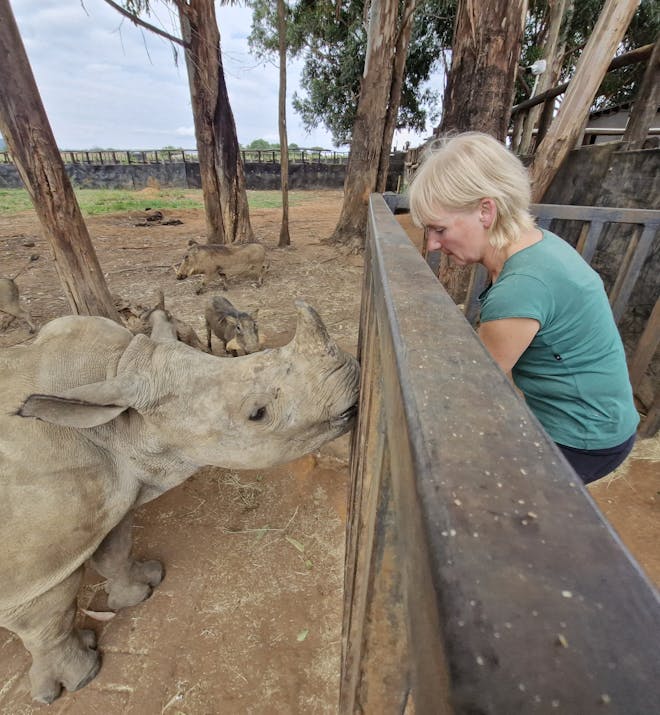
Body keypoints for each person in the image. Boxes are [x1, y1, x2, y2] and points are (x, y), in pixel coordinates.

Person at [407, 131, 639, 484]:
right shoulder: (538, 246)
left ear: (486, 210)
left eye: (439, 229)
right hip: (604, 420)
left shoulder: (519, 289)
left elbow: (472, 390)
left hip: (583, 437)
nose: (434, 244)